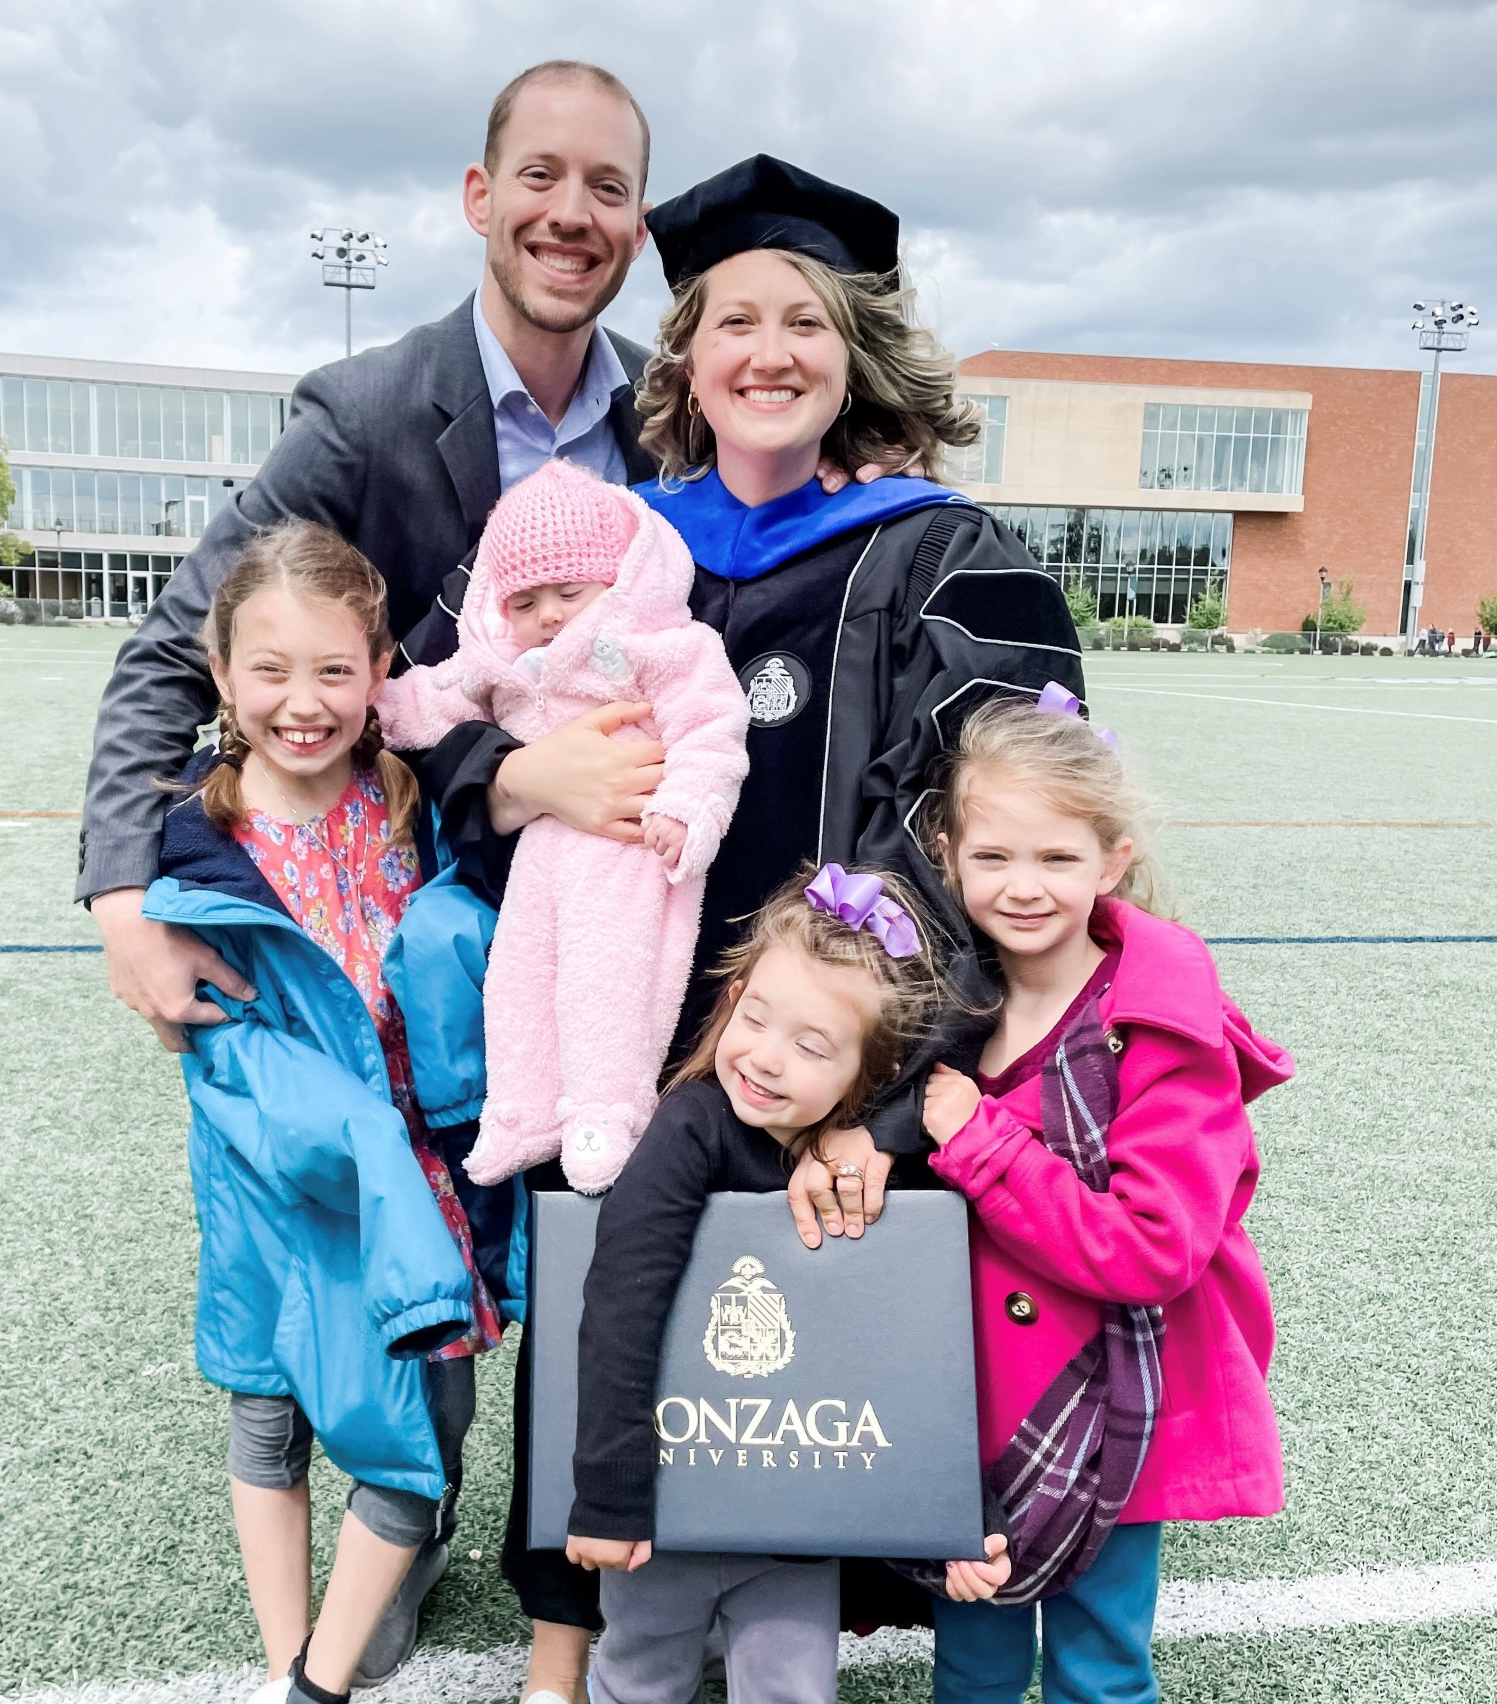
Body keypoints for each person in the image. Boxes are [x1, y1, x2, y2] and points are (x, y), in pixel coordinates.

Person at [415, 152, 1083, 1678]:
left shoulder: (951, 556)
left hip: (831, 1073)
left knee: (807, 1365)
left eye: (802, 320)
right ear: (685, 357)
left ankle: (795, 1639)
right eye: (729, 321)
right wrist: (526, 781)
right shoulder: (597, 549)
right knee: (610, 1307)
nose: (765, 351)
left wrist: (894, 1105)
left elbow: (998, 855)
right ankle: (564, 1650)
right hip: (619, 1043)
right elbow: (431, 720)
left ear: (850, 349)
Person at [148, 521, 512, 1704]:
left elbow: (474, 946)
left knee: (425, 1424)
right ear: (222, 679)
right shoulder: (198, 842)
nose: (301, 703)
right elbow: (223, 1050)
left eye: (333, 672)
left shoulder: (411, 805)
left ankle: (329, 1662)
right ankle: (288, 1667)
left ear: (378, 676)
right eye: (270, 671)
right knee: (269, 1416)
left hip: (421, 1181)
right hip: (275, 1190)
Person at [907, 692, 1291, 1704]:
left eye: (1055, 859)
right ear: (946, 855)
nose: (1022, 886)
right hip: (971, 1405)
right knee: (972, 1663)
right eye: (992, 857)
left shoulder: (1161, 1025)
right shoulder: (933, 1001)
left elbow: (1153, 1247)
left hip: (1115, 1399)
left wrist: (983, 1145)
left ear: (1109, 862)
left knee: (1099, 1666)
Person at [565, 864, 1012, 1704]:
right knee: (638, 1678)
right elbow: (622, 1298)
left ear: (869, 1079)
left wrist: (962, 1513)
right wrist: (609, 1498)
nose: (765, 1058)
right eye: (754, 1017)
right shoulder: (692, 1123)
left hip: (798, 1521)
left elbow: (914, 1351)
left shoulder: (872, 1176)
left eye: (811, 1046)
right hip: (665, 1508)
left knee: (790, 1690)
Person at [378, 457, 749, 1191]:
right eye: (524, 600)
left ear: (618, 582)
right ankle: (521, 1112)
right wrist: (370, 704)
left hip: (629, 852)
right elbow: (436, 696)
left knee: (610, 984)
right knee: (519, 980)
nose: (548, 614)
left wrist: (688, 807)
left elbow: (712, 727)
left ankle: (606, 1114)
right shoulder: (508, 662)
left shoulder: (661, 646)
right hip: (542, 857)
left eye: (569, 592)